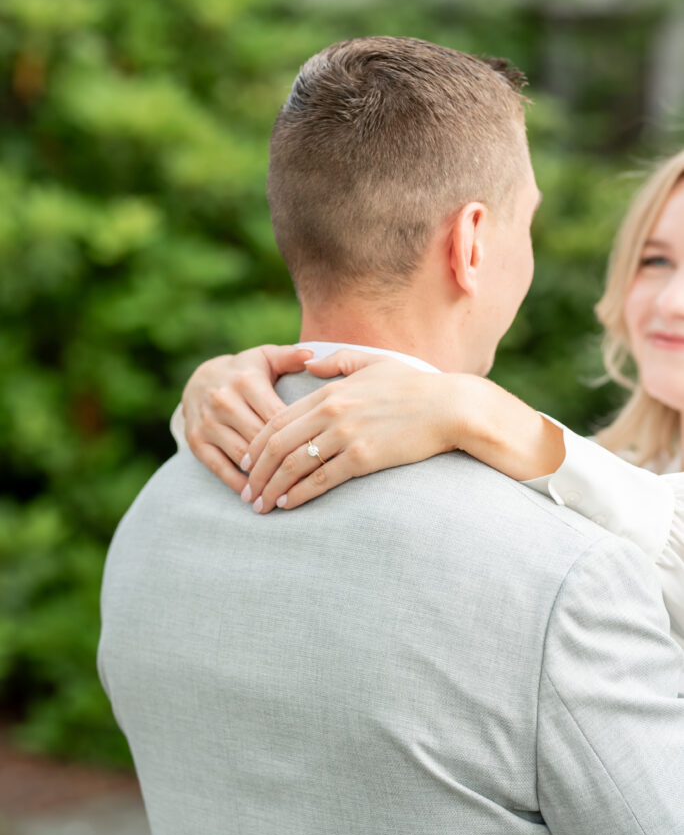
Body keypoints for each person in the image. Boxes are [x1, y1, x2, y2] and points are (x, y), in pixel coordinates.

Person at [99, 37, 684, 835]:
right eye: (657, 261)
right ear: (475, 244)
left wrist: (493, 419)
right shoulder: (561, 572)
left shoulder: (158, 517)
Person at [175, 150, 684, 670]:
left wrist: (474, 408)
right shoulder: (595, 467)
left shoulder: (577, 471)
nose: (671, 302)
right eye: (656, 261)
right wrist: (247, 400)